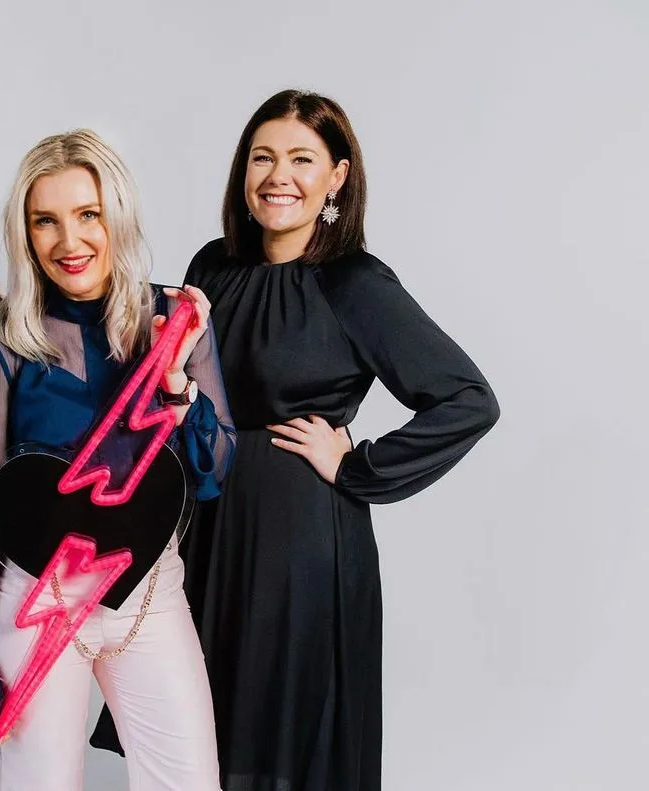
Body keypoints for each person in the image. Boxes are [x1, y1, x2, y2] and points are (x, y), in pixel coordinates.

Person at [183, 89, 501, 791]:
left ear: (337, 177)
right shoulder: (213, 268)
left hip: (303, 541)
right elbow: (185, 396)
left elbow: (467, 399)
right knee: (203, 739)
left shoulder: (354, 282)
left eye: (302, 158)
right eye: (262, 157)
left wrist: (357, 466)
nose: (277, 175)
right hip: (213, 528)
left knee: (288, 744)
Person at [0, 129, 235, 791]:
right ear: (25, 233)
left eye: (87, 214)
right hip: (37, 600)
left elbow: (216, 473)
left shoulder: (176, 320)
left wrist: (176, 389)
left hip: (148, 595)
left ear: (117, 216)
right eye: (45, 220)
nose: (68, 241)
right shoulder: (4, 344)